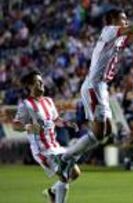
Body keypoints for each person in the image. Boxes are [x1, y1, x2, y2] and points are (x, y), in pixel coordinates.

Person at [58, 7, 133, 177]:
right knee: (99, 132)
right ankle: (66, 158)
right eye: (123, 19)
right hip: (94, 85)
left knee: (105, 133)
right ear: (113, 21)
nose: (126, 22)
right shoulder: (109, 31)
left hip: (102, 87)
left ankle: (69, 157)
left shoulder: (119, 38)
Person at [12, 70, 81, 203]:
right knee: (64, 175)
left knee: (75, 173)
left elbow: (55, 119)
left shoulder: (49, 101)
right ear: (30, 86)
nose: (42, 83)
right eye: (38, 82)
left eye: (41, 81)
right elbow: (15, 125)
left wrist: (67, 123)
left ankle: (52, 191)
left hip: (55, 146)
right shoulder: (26, 105)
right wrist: (27, 127)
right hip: (42, 150)